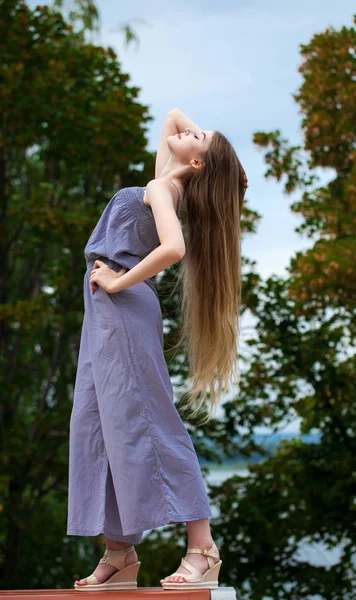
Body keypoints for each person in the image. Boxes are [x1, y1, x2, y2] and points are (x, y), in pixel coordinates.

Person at [67, 108, 248, 591]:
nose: (188, 131)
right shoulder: (164, 179)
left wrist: (118, 279)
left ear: (198, 167)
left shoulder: (162, 190)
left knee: (148, 417)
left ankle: (202, 545)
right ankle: (120, 551)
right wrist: (201, 144)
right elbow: (171, 117)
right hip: (105, 310)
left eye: (199, 137)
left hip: (120, 302)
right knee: (96, 422)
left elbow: (174, 249)